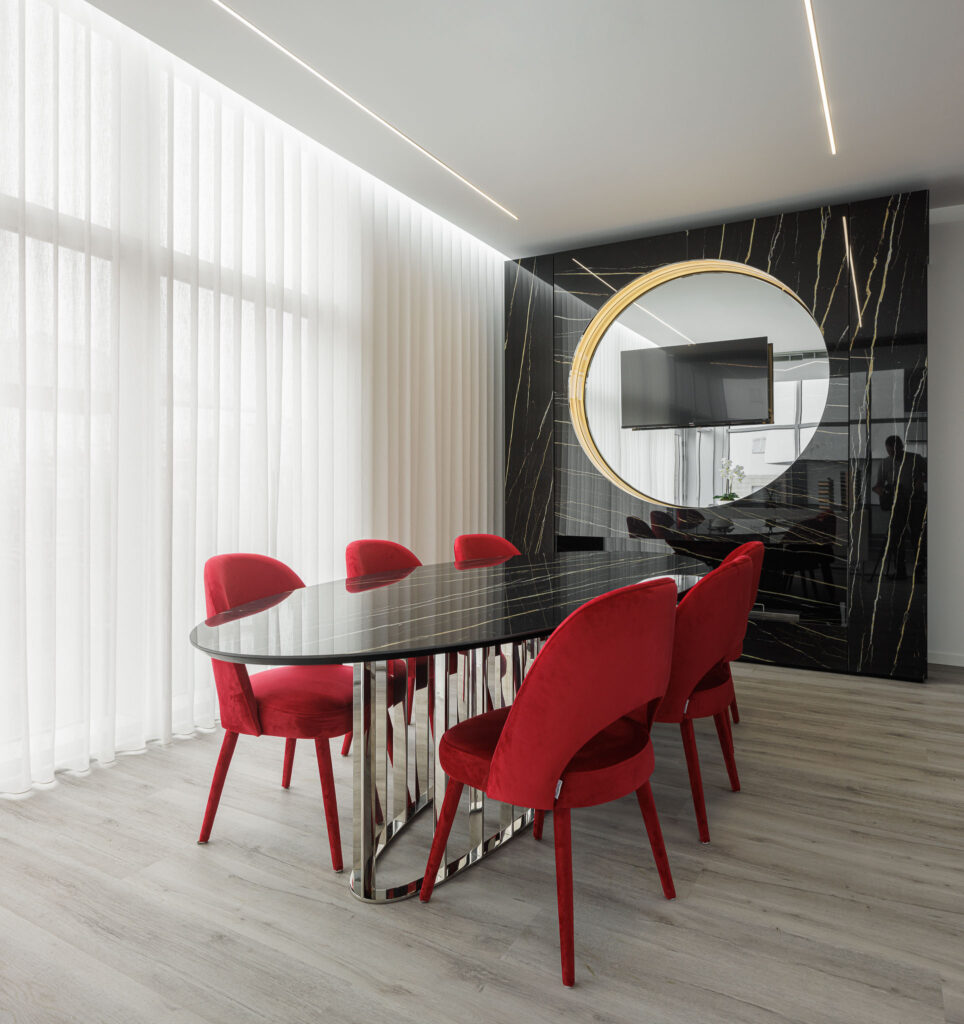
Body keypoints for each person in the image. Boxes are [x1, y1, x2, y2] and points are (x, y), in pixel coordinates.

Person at [872, 435, 926, 580]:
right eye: (889, 452)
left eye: (895, 451)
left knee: (917, 537)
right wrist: (885, 495)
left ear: (901, 447)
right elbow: (878, 485)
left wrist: (921, 480)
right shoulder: (885, 463)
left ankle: (919, 572)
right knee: (896, 539)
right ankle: (900, 571)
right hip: (898, 506)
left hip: (915, 503)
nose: (893, 455)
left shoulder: (915, 459)